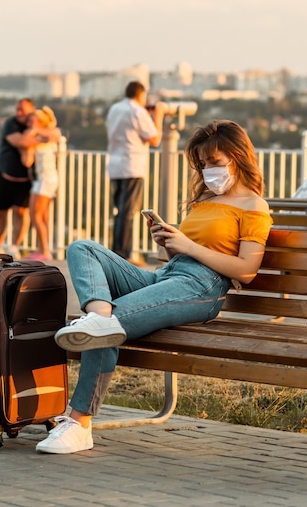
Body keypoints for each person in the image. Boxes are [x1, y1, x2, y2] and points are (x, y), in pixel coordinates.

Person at [35, 119, 273, 454]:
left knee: (103, 330)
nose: (208, 171)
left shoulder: (254, 207)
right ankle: (100, 312)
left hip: (203, 288)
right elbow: (187, 251)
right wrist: (171, 242)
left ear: (238, 157)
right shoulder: (205, 199)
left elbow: (247, 271)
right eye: (203, 164)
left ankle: (79, 423)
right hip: (169, 275)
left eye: (215, 163)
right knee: (82, 249)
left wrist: (189, 246)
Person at [106, 81, 165, 263]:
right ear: (141, 95)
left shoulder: (115, 108)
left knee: (120, 211)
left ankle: (118, 250)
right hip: (131, 165)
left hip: (115, 164)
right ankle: (123, 254)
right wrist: (159, 116)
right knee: (128, 212)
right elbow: (155, 139)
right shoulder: (137, 111)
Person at [0, 98, 36, 256]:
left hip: (25, 179)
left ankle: (15, 246)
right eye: (17, 109)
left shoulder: (37, 124)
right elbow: (18, 141)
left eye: (22, 110)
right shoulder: (11, 123)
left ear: (32, 110)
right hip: (5, 174)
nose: (18, 113)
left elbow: (54, 133)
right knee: (0, 211)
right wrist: (40, 139)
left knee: (21, 212)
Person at [19, 106, 61, 260]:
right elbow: (27, 161)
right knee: (42, 216)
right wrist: (27, 146)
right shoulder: (37, 137)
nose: (29, 122)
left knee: (35, 214)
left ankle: (44, 250)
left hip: (46, 178)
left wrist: (32, 135)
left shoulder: (48, 134)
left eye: (33, 119)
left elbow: (55, 133)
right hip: (42, 179)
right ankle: (42, 248)